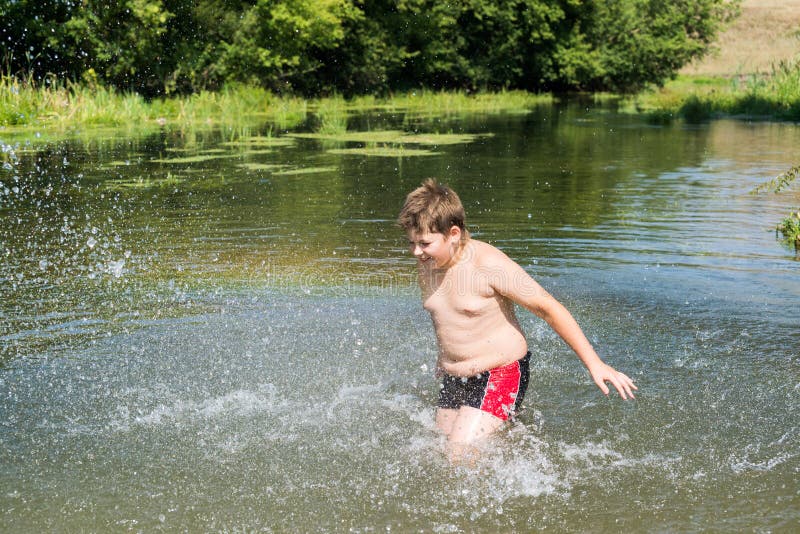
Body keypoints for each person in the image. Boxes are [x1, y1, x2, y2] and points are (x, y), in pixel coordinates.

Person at [398, 178, 637, 457]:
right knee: (438, 448)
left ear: (453, 233)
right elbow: (449, 314)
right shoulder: (429, 262)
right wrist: (445, 356)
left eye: (424, 243)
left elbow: (549, 308)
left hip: (500, 372)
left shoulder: (488, 265)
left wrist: (595, 364)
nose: (416, 252)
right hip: (456, 376)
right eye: (412, 243)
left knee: (458, 452)